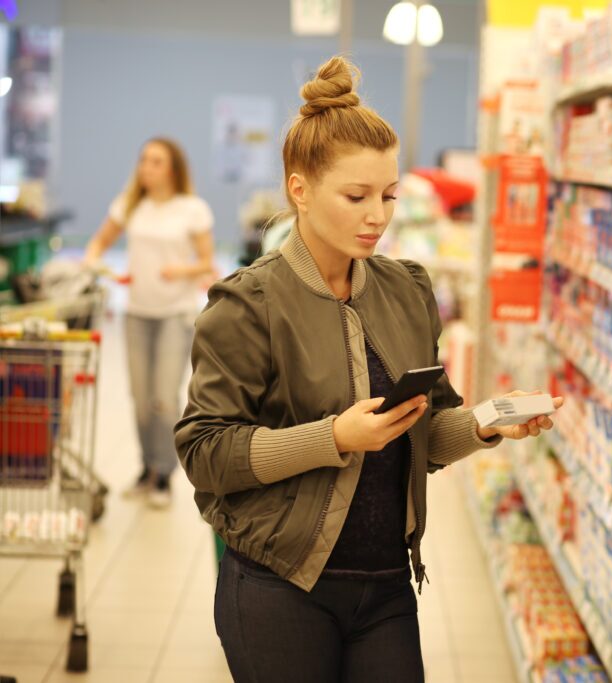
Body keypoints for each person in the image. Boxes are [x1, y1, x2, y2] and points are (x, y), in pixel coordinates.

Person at [174, 56, 563, 682]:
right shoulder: (248, 305)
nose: (377, 215)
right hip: (280, 585)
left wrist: (491, 421)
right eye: (356, 196)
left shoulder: (407, 291)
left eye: (388, 195)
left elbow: (423, 436)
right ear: (299, 190)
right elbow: (205, 451)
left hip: (385, 585)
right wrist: (332, 438)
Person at [85, 138, 214, 508]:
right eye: (143, 160)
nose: (146, 167)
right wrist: (102, 268)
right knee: (141, 400)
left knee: (163, 399)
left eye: (155, 161)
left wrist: (182, 269)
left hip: (176, 314)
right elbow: (98, 244)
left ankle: (164, 474)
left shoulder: (192, 209)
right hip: (137, 314)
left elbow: (206, 261)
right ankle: (145, 469)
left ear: (172, 169)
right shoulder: (130, 206)